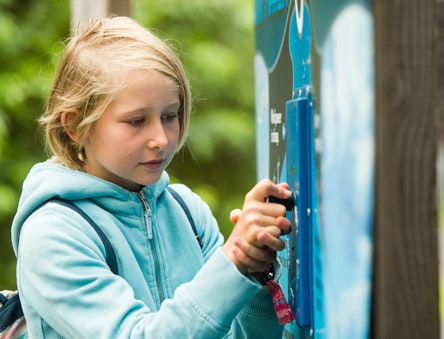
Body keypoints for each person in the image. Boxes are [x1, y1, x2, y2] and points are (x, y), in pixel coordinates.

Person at [10, 16, 292, 338]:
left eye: (170, 116)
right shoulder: (53, 234)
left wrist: (252, 274)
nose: (161, 138)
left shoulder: (187, 211)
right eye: (136, 121)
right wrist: (232, 260)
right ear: (75, 126)